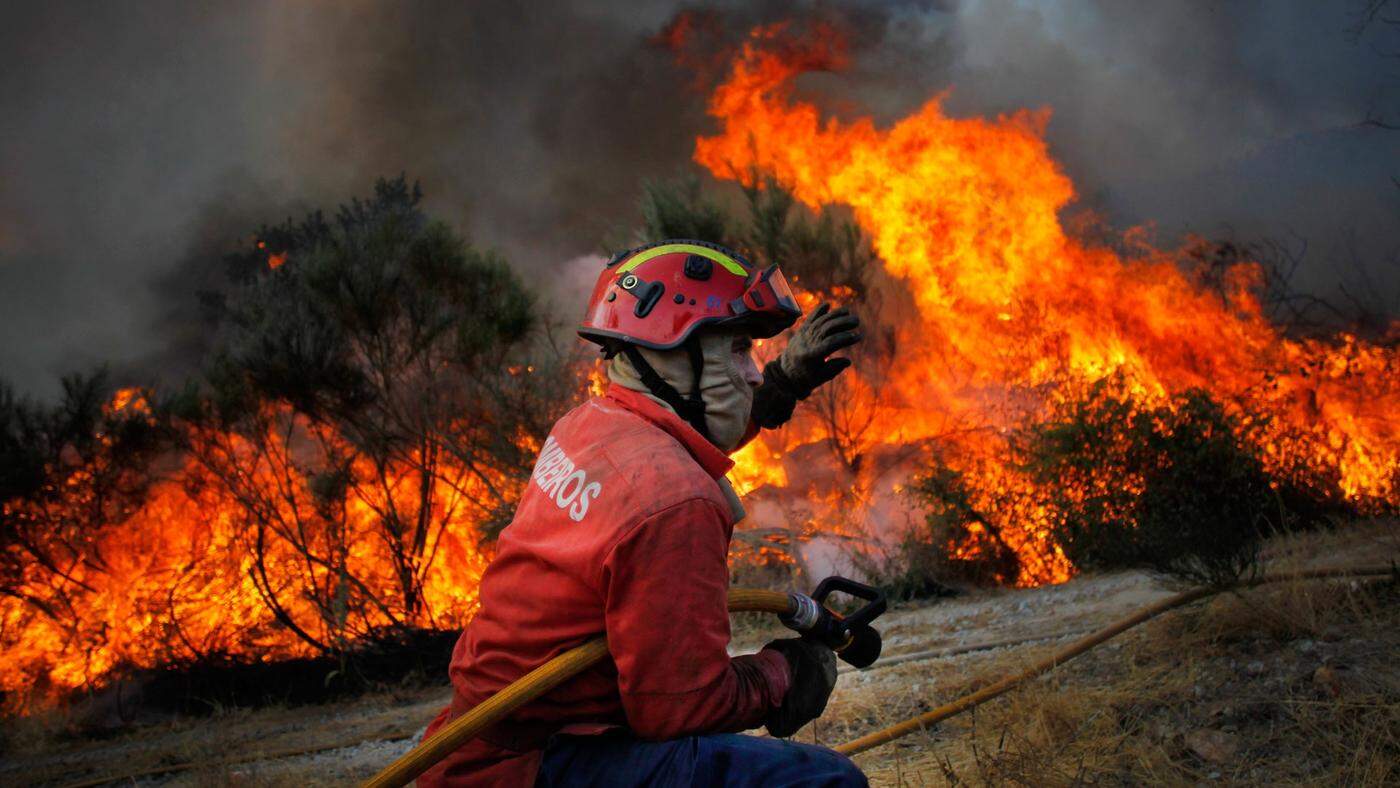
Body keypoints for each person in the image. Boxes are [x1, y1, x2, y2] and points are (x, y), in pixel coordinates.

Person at [419, 240, 864, 787]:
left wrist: (778, 389)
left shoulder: (589, 425)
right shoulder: (676, 504)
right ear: (671, 358)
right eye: (739, 350)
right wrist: (785, 674)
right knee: (829, 782)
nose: (752, 373)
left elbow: (677, 442)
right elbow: (680, 707)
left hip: (476, 748)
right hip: (542, 766)